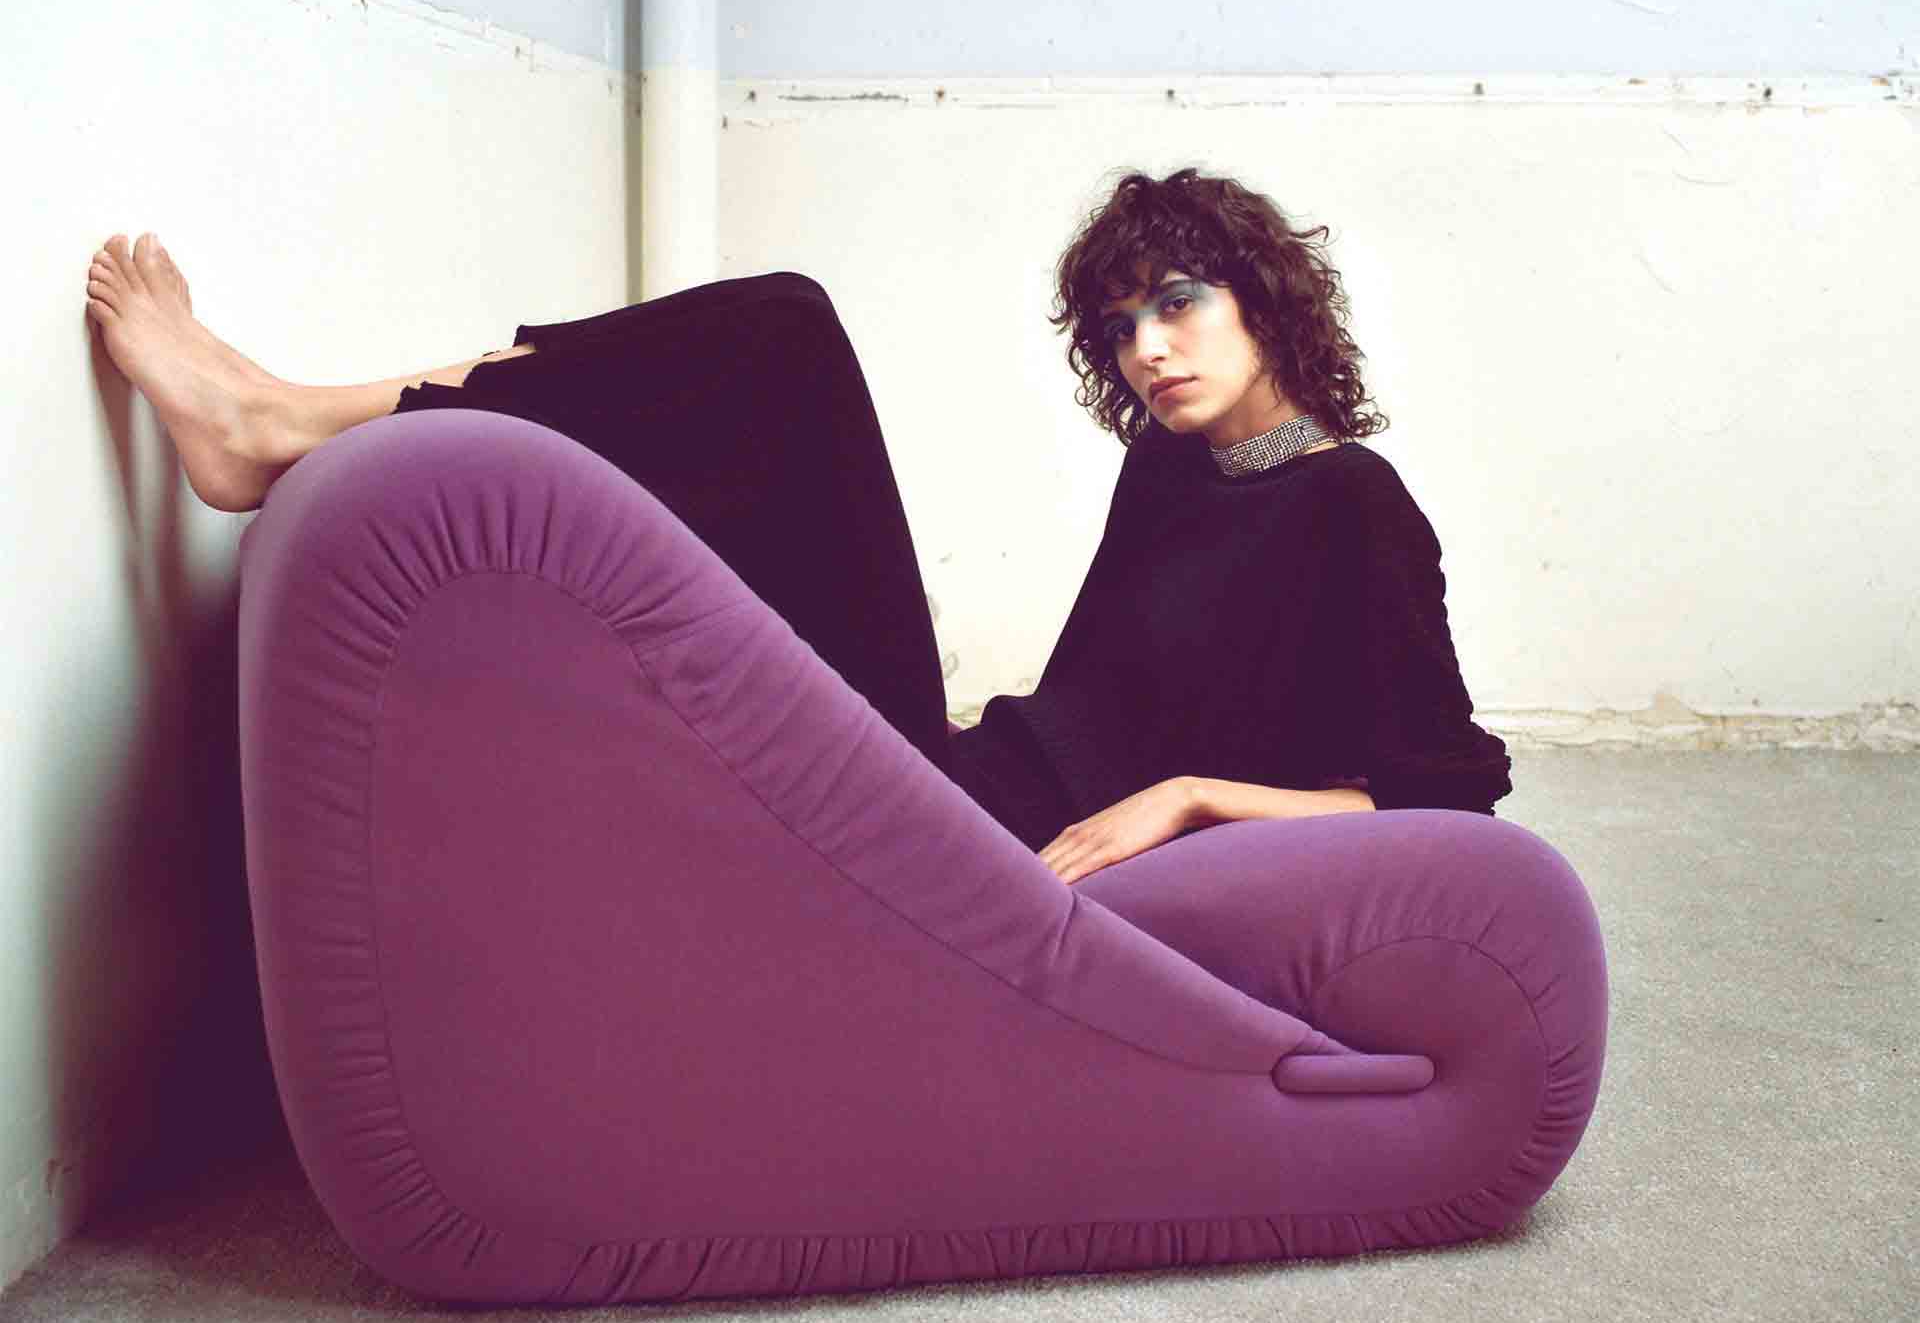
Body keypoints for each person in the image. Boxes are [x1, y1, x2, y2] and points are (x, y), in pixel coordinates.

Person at [82, 166, 1509, 885]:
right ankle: (285, 420)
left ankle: (282, 421)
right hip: (957, 769)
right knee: (747, 369)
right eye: (1121, 323)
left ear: (1266, 302)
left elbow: (1448, 796)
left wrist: (1191, 799)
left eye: (1180, 304)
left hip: (976, 831)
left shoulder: (1355, 507)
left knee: (781, 334)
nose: (1147, 348)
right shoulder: (1172, 472)